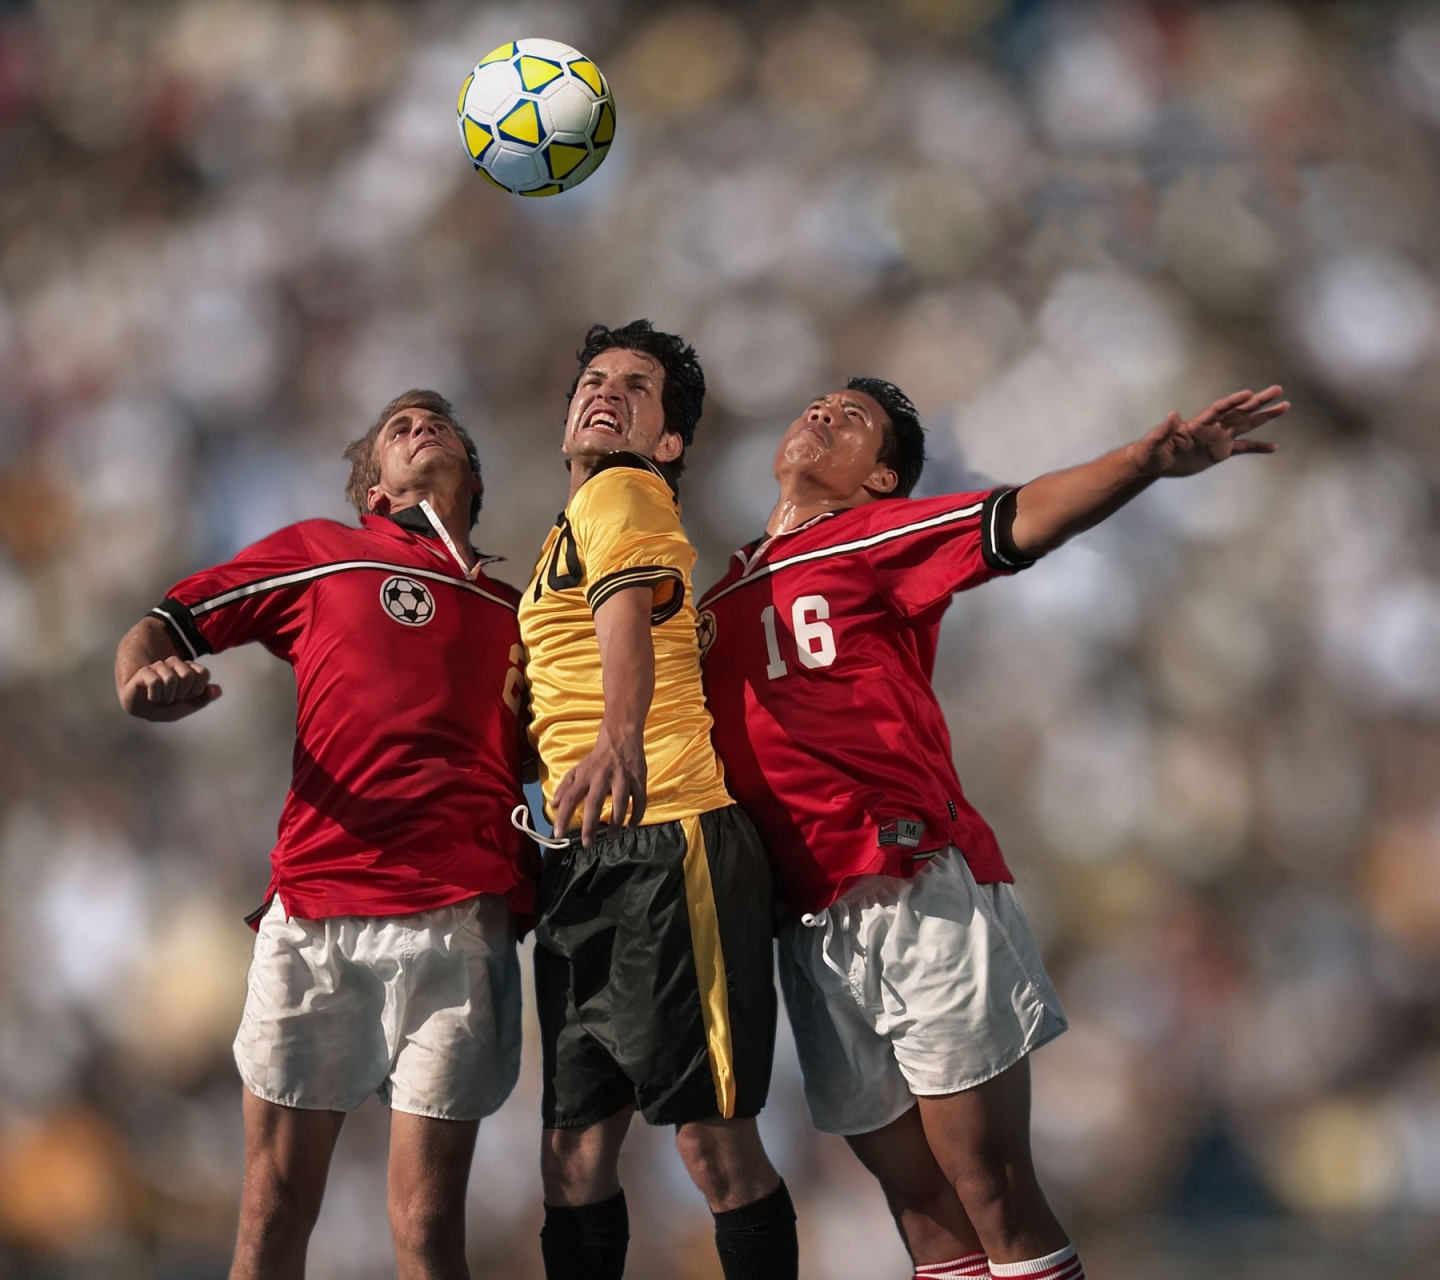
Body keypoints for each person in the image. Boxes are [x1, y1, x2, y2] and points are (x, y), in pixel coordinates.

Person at [698, 379, 1290, 1280]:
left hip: (910, 884)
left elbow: (1014, 521)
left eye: (852, 419)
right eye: (818, 403)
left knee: (991, 1186)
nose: (822, 414)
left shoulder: (865, 538)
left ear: (881, 478)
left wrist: (1145, 461)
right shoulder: (723, 588)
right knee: (924, 1216)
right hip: (806, 922)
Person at [114, 390, 534, 1280]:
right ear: (372, 490)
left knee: (427, 1228)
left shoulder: (522, 614)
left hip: (460, 923)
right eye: (397, 428)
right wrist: (140, 676)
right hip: (317, 914)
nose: (419, 428)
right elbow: (168, 621)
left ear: (474, 470)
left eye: (438, 421)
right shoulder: (325, 556)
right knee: (271, 1217)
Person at [516, 320, 797, 1280]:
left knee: (711, 1146)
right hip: (588, 856)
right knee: (573, 1156)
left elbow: (627, 622)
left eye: (638, 388)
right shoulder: (573, 521)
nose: (607, 392)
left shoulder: (627, 489)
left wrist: (619, 737)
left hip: (669, 840)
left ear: (668, 443)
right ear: (564, 423)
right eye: (593, 379)